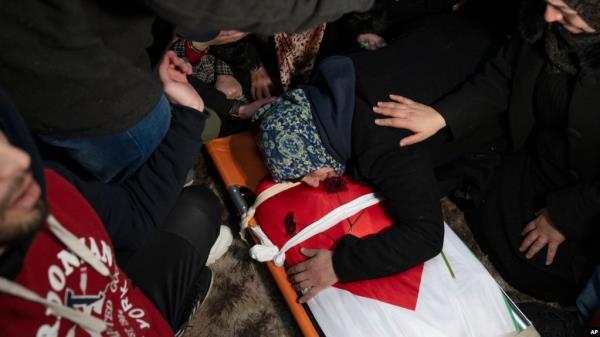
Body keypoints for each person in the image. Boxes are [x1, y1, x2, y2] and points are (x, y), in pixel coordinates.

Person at [252, 12, 499, 303]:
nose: (315, 182)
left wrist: (338, 265)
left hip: (504, 92)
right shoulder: (340, 69)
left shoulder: (386, 147)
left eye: (305, 172)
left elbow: (426, 236)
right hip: (468, 27)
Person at [372, 0, 600, 302]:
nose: (548, 16)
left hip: (587, 192)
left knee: (539, 266)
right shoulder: (544, 20)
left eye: (565, 12)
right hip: (538, 155)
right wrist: (441, 116)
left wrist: (565, 216)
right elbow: (503, 75)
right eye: (549, 3)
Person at [0, 0, 374, 183]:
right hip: (83, 93)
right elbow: (215, 13)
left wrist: (246, 70)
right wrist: (226, 108)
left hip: (94, 63)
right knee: (164, 153)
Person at [0, 78, 221, 336]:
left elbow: (135, 214)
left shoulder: (43, 184)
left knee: (200, 208)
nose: (20, 162)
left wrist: (191, 111)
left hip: (132, 311)